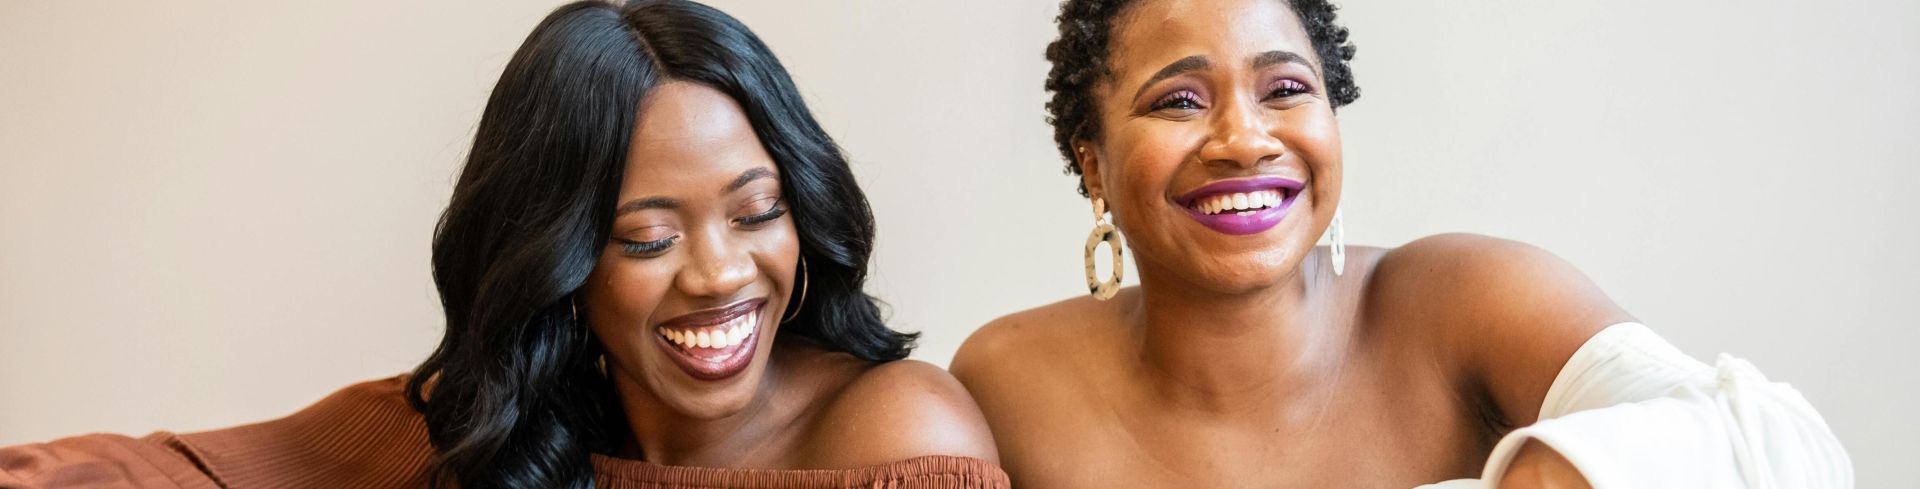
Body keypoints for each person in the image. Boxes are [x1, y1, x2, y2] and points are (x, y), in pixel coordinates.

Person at [0, 2, 1005, 488]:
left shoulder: (896, 437)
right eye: (645, 238)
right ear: (560, 261)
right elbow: (176, 473)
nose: (720, 274)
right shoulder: (504, 425)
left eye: (756, 213)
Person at [949, 0, 1849, 487]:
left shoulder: (1465, 298)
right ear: (1093, 163)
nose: (1242, 138)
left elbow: (1786, 445)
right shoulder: (1007, 382)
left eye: (1286, 89)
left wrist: (1558, 473)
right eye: (1179, 101)